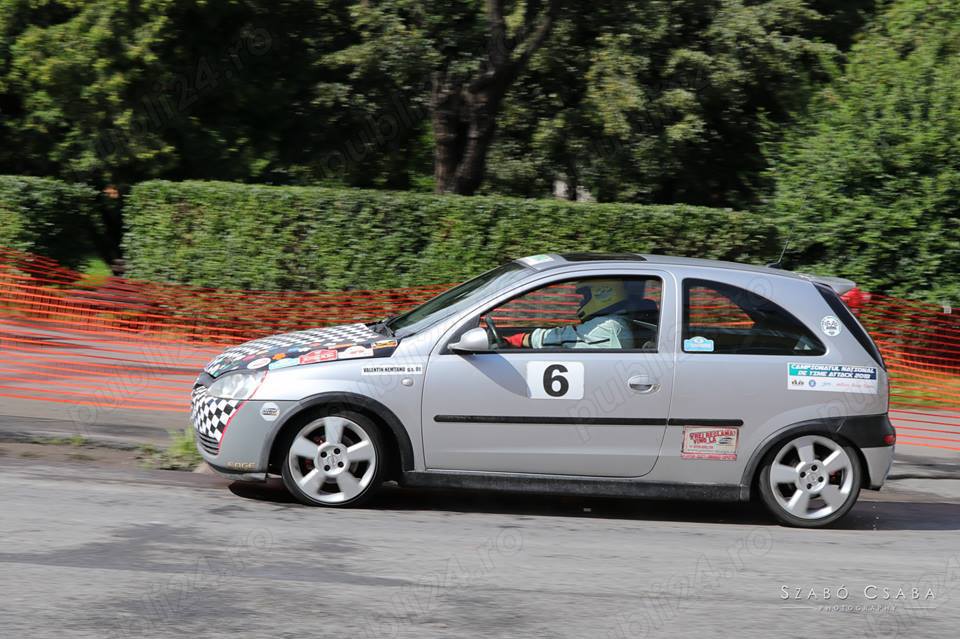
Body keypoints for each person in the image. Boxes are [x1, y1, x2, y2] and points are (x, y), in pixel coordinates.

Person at [503, 279, 635, 349]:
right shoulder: (616, 321)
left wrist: (517, 339)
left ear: (603, 294)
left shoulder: (608, 326)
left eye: (585, 296)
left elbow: (561, 338)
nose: (581, 301)